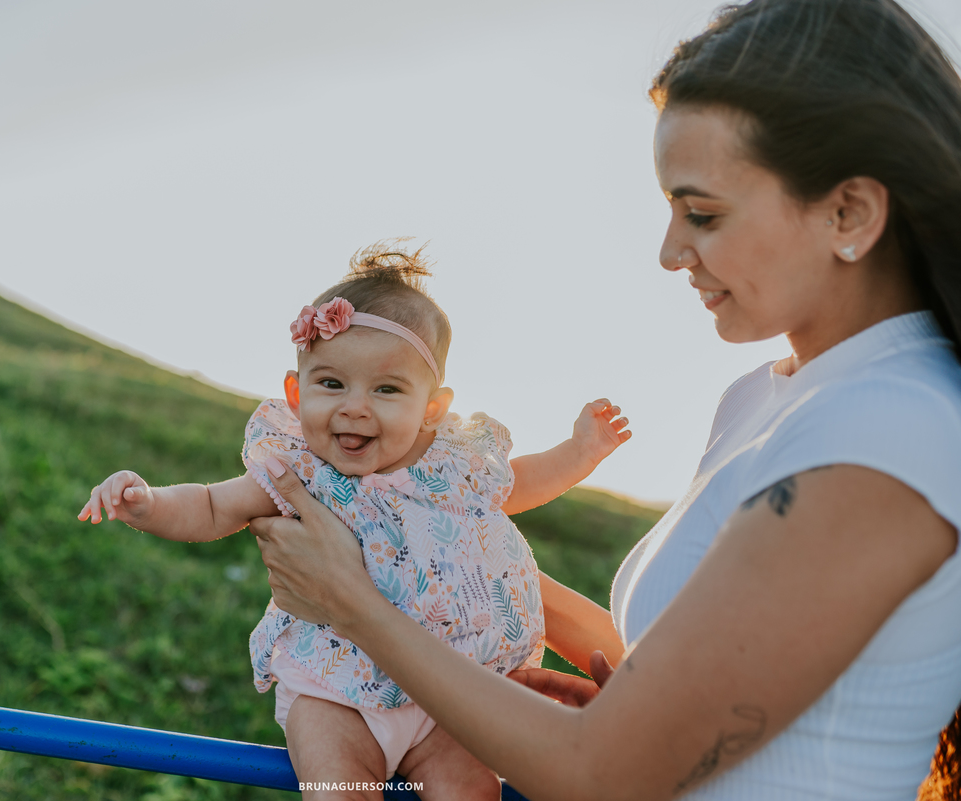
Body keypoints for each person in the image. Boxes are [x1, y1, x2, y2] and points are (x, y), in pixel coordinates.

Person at [247, 1, 961, 798]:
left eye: (702, 213)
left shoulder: (893, 425)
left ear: (849, 212)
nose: (669, 252)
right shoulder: (762, 399)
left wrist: (355, 602)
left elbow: (602, 773)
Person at [78, 244, 631, 799]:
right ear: (296, 394)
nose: (354, 407)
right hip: (334, 694)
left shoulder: (456, 464)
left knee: (473, 793)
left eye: (386, 390)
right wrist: (147, 503)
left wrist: (580, 452)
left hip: (445, 694)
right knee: (340, 790)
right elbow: (212, 505)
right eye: (331, 384)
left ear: (432, 408)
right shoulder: (298, 467)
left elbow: (522, 482)